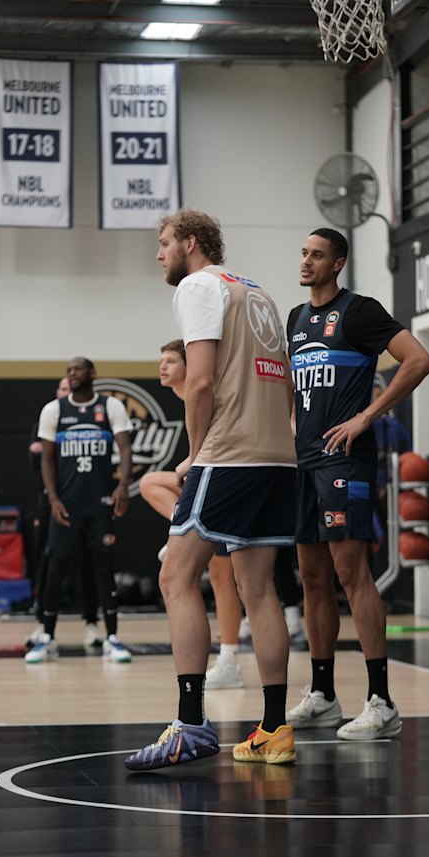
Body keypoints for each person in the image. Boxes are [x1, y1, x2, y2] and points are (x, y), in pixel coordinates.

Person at [125, 208, 297, 771]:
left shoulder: (199, 285)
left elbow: (199, 379)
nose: (159, 254)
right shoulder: (258, 292)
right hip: (278, 457)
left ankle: (192, 725)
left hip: (230, 454)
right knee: (259, 589)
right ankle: (273, 729)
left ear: (191, 244)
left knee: (174, 575)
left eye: (164, 243)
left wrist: (196, 455)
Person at [286, 228, 429, 741]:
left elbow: (419, 360)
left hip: (344, 462)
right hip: (305, 464)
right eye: (303, 253)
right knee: (311, 578)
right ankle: (323, 695)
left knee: (352, 576)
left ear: (339, 263)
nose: (306, 262)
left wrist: (367, 415)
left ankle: (382, 702)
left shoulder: (360, 312)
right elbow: (294, 390)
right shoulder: (296, 319)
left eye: (317, 255)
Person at [139, 339, 245, 690]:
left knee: (227, 579)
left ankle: (230, 660)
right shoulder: (186, 397)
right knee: (152, 482)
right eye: (161, 361)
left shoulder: (207, 392)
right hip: (209, 478)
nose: (163, 367)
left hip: (229, 477)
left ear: (191, 364)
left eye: (170, 360)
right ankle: (181, 529)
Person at [24, 357, 134, 665]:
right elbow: (47, 460)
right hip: (66, 507)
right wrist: (54, 498)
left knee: (103, 569)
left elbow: (125, 448)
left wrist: (123, 484)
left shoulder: (110, 407)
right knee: (55, 570)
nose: (72, 374)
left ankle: (111, 637)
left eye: (78, 369)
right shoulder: (54, 410)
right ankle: (47, 637)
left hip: (100, 505)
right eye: (68, 371)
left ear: (92, 373)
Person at [26, 376, 101, 650]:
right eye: (62, 388)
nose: (66, 392)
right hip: (50, 502)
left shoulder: (92, 420)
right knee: (49, 565)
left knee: (88, 563)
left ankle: (92, 623)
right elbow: (36, 458)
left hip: (83, 502)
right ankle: (43, 626)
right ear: (57, 392)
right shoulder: (48, 418)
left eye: (70, 388)